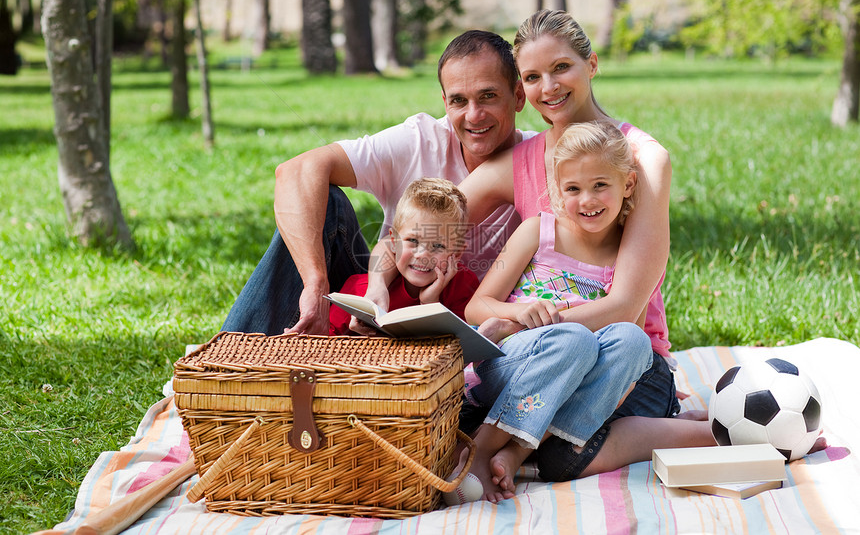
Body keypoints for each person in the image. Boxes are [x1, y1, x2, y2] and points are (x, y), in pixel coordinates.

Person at [453, 9, 718, 486]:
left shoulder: (645, 160)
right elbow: (436, 224)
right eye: (532, 77)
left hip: (623, 364)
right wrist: (384, 277)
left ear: (591, 64)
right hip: (535, 356)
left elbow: (626, 307)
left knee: (567, 446)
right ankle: (656, 433)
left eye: (561, 68)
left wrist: (525, 326)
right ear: (521, 89)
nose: (548, 87)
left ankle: (673, 431)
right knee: (562, 443)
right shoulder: (521, 161)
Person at [220, 30, 532, 337]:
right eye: (458, 101)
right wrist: (316, 283)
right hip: (384, 296)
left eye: (488, 96)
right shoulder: (420, 140)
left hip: (465, 316)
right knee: (324, 201)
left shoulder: (543, 160)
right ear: (444, 101)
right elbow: (296, 171)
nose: (473, 115)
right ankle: (222, 367)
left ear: (518, 96)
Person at [459, 121, 660, 502]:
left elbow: (628, 350)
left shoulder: (626, 256)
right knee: (572, 338)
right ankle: (480, 452)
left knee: (633, 342)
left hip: (572, 375)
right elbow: (476, 307)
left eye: (601, 185)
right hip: (510, 364)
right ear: (557, 189)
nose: (587, 200)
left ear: (628, 185)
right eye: (573, 189)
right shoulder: (538, 232)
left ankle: (516, 451)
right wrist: (520, 313)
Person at [329, 178, 478, 335]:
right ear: (393, 241)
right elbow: (321, 344)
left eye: (438, 246)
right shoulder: (360, 291)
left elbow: (460, 349)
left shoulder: (463, 286)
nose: (422, 255)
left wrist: (430, 304)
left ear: (457, 253)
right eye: (412, 240)